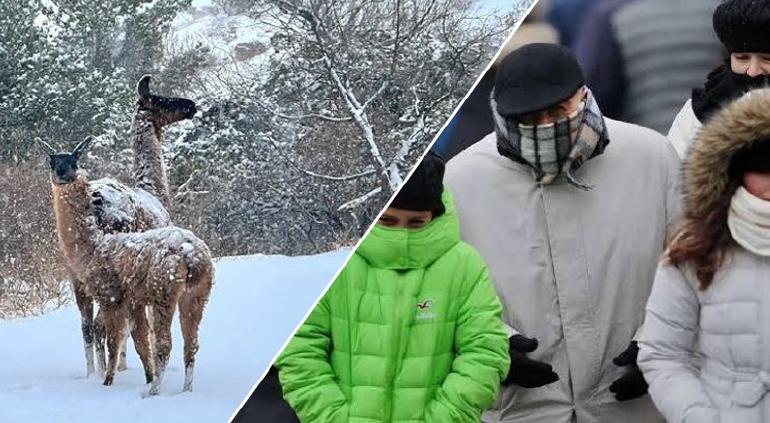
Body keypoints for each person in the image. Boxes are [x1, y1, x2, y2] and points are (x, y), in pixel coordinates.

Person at [444, 43, 680, 422]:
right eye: (529, 119)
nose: (545, 127)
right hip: (521, 407)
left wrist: (662, 345)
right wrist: (494, 346)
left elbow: (694, 264)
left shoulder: (650, 157)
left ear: (583, 96)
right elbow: (440, 288)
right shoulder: (460, 180)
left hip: (634, 405)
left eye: (558, 111)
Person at [275, 152, 510, 422]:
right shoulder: (340, 268)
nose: (400, 233)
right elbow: (300, 349)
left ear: (434, 215)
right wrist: (332, 417)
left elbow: (485, 351)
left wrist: (445, 418)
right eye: (388, 221)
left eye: (416, 223)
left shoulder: (463, 265)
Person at [639, 88, 770, 423]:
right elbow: (662, 352)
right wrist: (699, 416)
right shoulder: (695, 250)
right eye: (762, 169)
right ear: (734, 171)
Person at [573, 0, 722, 134]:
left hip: (649, 142)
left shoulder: (612, 15)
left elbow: (591, 96)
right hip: (714, 143)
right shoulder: (725, 9)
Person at [668, 0, 770, 158]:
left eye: (766, 59)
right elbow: (675, 174)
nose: (753, 71)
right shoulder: (698, 112)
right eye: (742, 58)